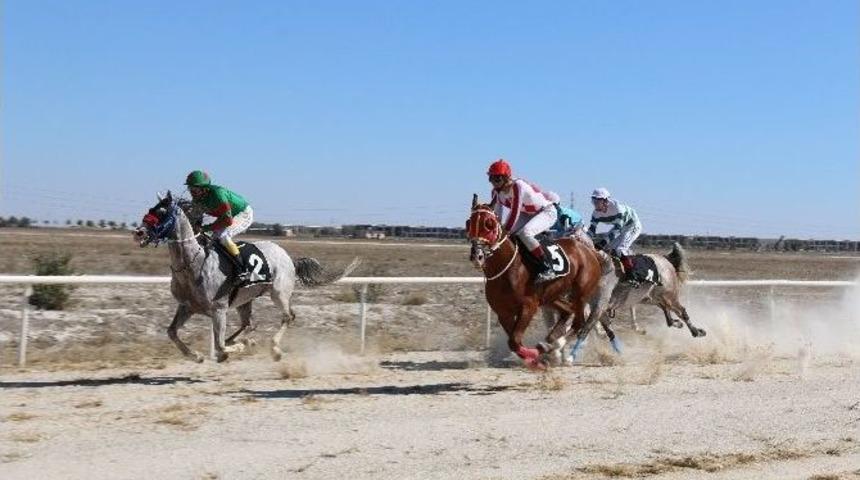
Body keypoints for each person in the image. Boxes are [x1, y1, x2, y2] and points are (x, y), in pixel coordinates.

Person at [487, 159, 561, 283]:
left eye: (497, 179)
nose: (494, 183)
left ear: (506, 178)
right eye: (491, 179)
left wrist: (505, 231)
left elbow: (514, 212)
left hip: (546, 211)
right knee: (508, 235)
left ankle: (547, 266)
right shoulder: (496, 193)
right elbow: (497, 216)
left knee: (525, 233)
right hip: (527, 213)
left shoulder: (517, 186)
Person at [184, 170, 254, 280]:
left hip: (242, 213)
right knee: (207, 238)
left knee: (223, 237)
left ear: (204, 188)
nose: (191, 191)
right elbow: (197, 218)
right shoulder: (197, 199)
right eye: (190, 187)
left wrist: (205, 228)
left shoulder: (218, 194)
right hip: (226, 217)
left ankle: (243, 270)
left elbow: (228, 221)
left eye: (195, 188)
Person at [587, 187, 643, 284]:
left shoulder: (617, 209)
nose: (595, 203)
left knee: (620, 249)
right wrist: (585, 240)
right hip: (621, 227)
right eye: (593, 200)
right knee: (607, 249)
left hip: (632, 225)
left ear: (605, 201)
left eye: (597, 200)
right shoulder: (595, 213)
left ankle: (632, 275)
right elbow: (591, 230)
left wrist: (602, 242)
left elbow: (617, 230)